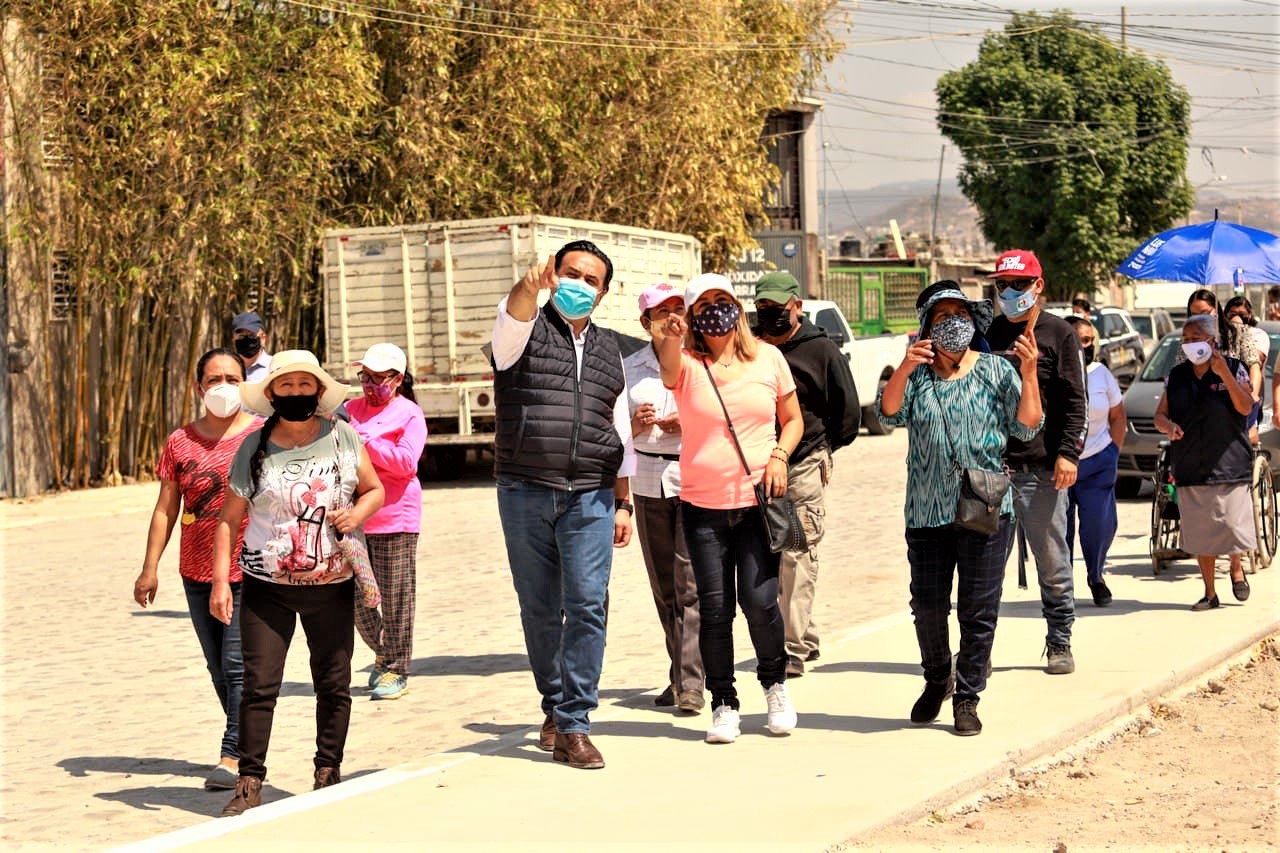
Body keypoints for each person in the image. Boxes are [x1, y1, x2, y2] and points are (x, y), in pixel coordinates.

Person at [210, 350, 385, 816]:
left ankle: (328, 771)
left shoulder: (343, 437)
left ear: (319, 391)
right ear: (271, 395)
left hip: (333, 584)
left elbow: (374, 489)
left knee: (334, 684)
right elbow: (228, 520)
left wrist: (357, 513)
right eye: (285, 386)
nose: (295, 394)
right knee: (258, 686)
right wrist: (221, 582)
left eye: (304, 385)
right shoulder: (254, 447)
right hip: (265, 587)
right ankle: (249, 781)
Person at [490, 240, 636, 770]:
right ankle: (553, 705)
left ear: (603, 291)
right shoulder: (523, 330)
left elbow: (618, 429)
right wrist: (529, 289)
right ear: (554, 274)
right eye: (569, 273)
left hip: (592, 495)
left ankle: (575, 722)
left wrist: (624, 501)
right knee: (539, 607)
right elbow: (514, 314)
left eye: (590, 279)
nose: (578, 284)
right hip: (525, 488)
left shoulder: (611, 350)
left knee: (589, 604)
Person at [877, 281, 1042, 736]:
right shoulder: (919, 377)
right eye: (940, 317)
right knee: (927, 606)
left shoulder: (995, 369)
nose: (952, 323)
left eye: (959, 315)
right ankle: (937, 679)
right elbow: (889, 414)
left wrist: (1028, 373)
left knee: (978, 608)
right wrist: (905, 369)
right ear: (927, 328)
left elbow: (1027, 428)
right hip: (927, 510)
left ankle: (967, 697)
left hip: (985, 507)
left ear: (973, 322)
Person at [650, 273, 805, 745]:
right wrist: (672, 338)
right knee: (715, 610)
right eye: (704, 304)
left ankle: (775, 686)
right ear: (694, 315)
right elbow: (669, 371)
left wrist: (779, 456)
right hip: (702, 507)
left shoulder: (769, 357)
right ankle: (724, 702)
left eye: (722, 301)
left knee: (761, 604)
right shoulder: (688, 363)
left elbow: (793, 419)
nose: (715, 309)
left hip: (758, 504)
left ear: (736, 307)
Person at [133, 348, 261, 791]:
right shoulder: (180, 442)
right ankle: (250, 738)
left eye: (231, 377)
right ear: (198, 387)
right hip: (195, 571)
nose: (222, 386)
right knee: (218, 669)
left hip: (249, 569)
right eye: (213, 379)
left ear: (245, 384)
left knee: (237, 663)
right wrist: (150, 568)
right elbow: (166, 508)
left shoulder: (263, 435)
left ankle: (234, 754)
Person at [752, 271, 860, 677]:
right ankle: (804, 633)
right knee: (770, 556)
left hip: (804, 463)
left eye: (777, 308)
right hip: (757, 468)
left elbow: (847, 413)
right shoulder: (752, 347)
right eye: (762, 308)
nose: (769, 315)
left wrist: (822, 450)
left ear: (796, 305)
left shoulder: (822, 351)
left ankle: (792, 647)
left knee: (798, 552)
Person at [985, 249, 1087, 676]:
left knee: (1052, 561)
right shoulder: (987, 334)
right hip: (991, 471)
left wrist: (1068, 454)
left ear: (1038, 285)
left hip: (1043, 470)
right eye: (1003, 285)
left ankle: (1059, 639)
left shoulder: (1059, 334)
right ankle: (978, 651)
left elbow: (1075, 401)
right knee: (984, 567)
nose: (1010, 292)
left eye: (1020, 284)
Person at [623, 283, 705, 714]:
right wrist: (635, 424)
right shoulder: (629, 368)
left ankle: (693, 684)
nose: (672, 316)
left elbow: (718, 420)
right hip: (646, 478)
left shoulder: (700, 362)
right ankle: (679, 674)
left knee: (690, 583)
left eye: (679, 309)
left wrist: (685, 425)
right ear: (646, 322)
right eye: (661, 311)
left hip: (692, 477)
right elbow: (616, 435)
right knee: (664, 588)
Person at [1153, 315, 1255, 610]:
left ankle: (1237, 567)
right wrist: (1167, 426)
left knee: (1233, 527)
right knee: (1200, 534)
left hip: (1229, 461)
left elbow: (1246, 406)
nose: (1189, 343)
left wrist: (1224, 375)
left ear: (1213, 341)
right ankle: (1210, 592)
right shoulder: (1177, 376)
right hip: (1190, 463)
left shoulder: (1235, 369)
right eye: (1185, 339)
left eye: (1195, 337)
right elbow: (1160, 414)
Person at [346, 343, 428, 701]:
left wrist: (365, 443)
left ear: (397, 379)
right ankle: (384, 650)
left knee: (396, 598)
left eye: (379, 378)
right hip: (354, 517)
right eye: (366, 376)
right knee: (355, 599)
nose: (370, 384)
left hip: (396, 516)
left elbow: (407, 462)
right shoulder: (348, 410)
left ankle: (397, 667)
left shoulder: (409, 414)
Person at [1063, 316, 1126, 607]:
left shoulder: (1102, 373)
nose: (1082, 345)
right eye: (1076, 338)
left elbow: (1117, 416)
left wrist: (1113, 452)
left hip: (1098, 460)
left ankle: (1096, 576)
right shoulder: (1052, 372)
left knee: (1098, 526)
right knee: (1059, 530)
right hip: (1060, 465)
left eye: (1087, 340)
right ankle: (1061, 586)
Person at [231, 311, 272, 382]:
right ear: (233, 340)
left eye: (252, 335)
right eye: (241, 336)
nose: (246, 339)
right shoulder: (228, 368)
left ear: (263, 339)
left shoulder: (274, 367)